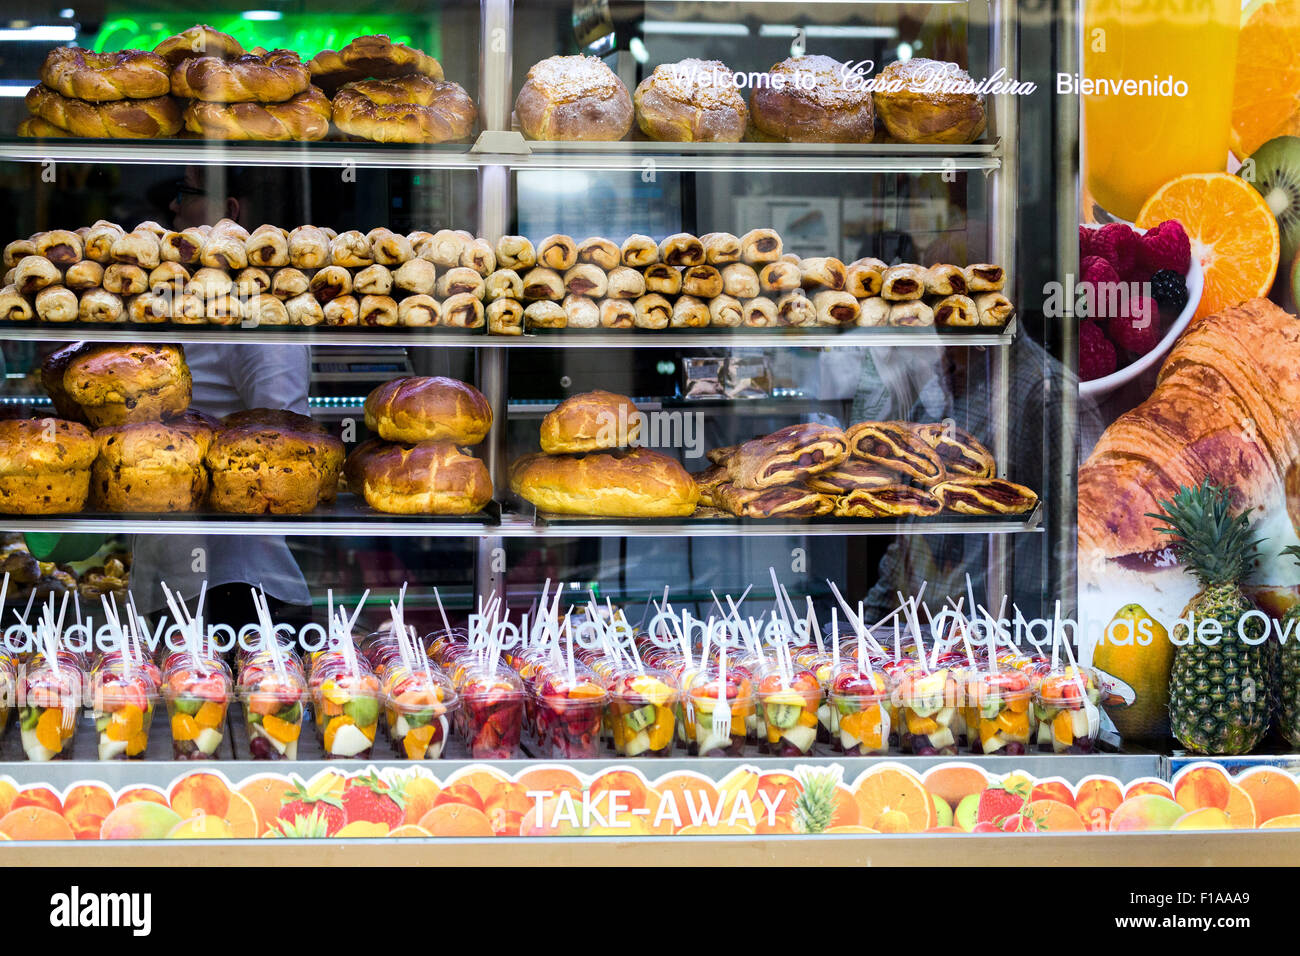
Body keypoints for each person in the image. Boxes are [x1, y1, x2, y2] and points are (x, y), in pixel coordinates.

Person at [129, 167, 313, 636]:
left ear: (229, 212)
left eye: (184, 193)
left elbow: (284, 440)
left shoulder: (257, 309)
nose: (172, 206)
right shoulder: (185, 293)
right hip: (170, 568)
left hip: (236, 581)